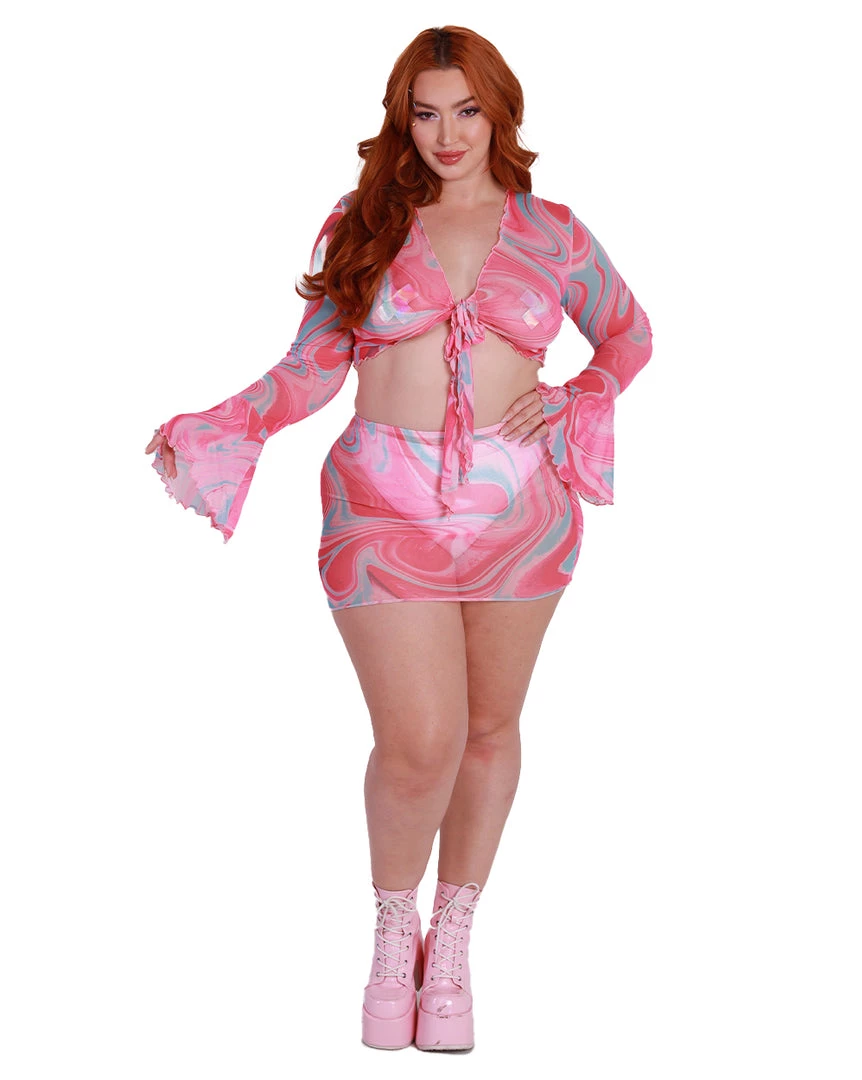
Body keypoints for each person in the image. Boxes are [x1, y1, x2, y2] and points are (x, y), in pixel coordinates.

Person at [144, 25, 652, 1053]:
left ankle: (451, 944)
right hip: (380, 504)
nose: (446, 134)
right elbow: (312, 366)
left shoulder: (552, 231)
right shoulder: (363, 220)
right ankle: (391, 933)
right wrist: (234, 417)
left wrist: (580, 392)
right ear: (401, 119)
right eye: (425, 113)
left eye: (466, 111)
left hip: (520, 510)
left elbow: (629, 333)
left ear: (500, 113)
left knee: (488, 731)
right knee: (420, 741)